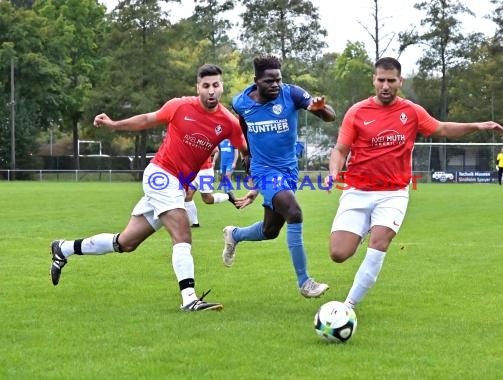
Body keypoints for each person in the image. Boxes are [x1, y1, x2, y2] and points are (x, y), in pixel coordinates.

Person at [49, 64, 248, 312]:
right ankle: (189, 298)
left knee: (125, 243)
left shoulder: (228, 122)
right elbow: (146, 119)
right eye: (205, 86)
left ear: (222, 87)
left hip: (177, 183)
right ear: (197, 87)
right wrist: (113, 124)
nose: (211, 91)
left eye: (215, 85)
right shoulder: (179, 106)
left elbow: (246, 149)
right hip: (161, 175)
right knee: (182, 233)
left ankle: (64, 248)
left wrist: (257, 171)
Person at [325, 57, 503, 309]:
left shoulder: (411, 111)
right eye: (381, 80)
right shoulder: (357, 112)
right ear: (373, 80)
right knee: (338, 254)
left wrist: (477, 125)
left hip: (393, 193)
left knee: (379, 244)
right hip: (357, 191)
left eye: (391, 80)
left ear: (401, 81)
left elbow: (442, 128)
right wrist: (334, 171)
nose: (385, 86)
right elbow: (340, 149)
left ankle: (348, 306)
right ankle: (367, 226)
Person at [221, 55, 336, 298]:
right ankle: (305, 282)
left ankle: (235, 234)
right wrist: (248, 154)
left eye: (278, 80)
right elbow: (243, 124)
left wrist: (320, 109)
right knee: (294, 212)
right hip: (264, 171)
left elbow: (330, 116)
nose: (275, 85)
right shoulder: (241, 102)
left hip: (288, 170)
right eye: (269, 81)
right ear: (256, 81)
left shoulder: (292, 94)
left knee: (270, 230)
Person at [184, 146, 237, 228]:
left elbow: (215, 150)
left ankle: (228, 196)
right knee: (187, 196)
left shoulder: (205, 136)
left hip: (205, 171)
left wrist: (198, 153)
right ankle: (194, 223)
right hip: (193, 170)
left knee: (207, 199)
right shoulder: (189, 137)